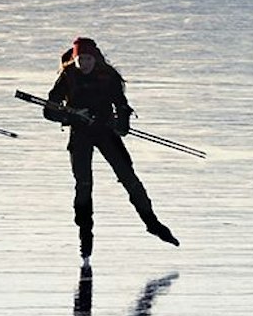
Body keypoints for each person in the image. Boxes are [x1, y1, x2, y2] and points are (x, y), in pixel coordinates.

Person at [41, 35, 178, 259]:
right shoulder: (68, 76)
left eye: (87, 59)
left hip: (105, 132)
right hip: (81, 134)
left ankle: (152, 223)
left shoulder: (109, 76)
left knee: (128, 177)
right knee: (83, 184)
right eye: (80, 60)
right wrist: (72, 117)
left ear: (95, 59)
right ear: (75, 60)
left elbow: (122, 106)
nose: (84, 64)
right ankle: (85, 235)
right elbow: (49, 111)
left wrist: (121, 125)